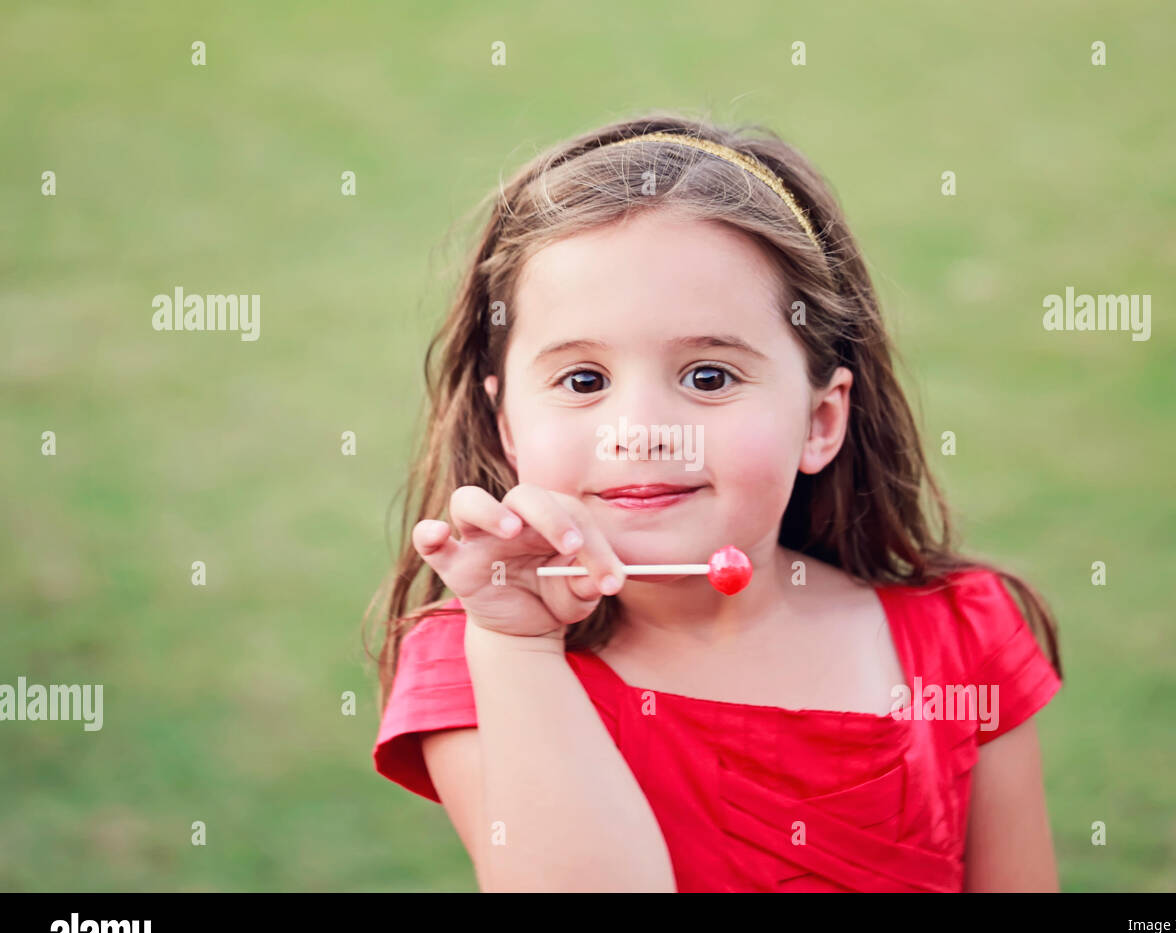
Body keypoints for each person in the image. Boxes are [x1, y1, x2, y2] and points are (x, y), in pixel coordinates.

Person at [366, 113, 1064, 892]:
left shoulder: (962, 635)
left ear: (820, 419)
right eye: (584, 381)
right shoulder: (480, 657)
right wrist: (518, 646)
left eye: (708, 376)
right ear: (509, 429)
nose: (642, 433)